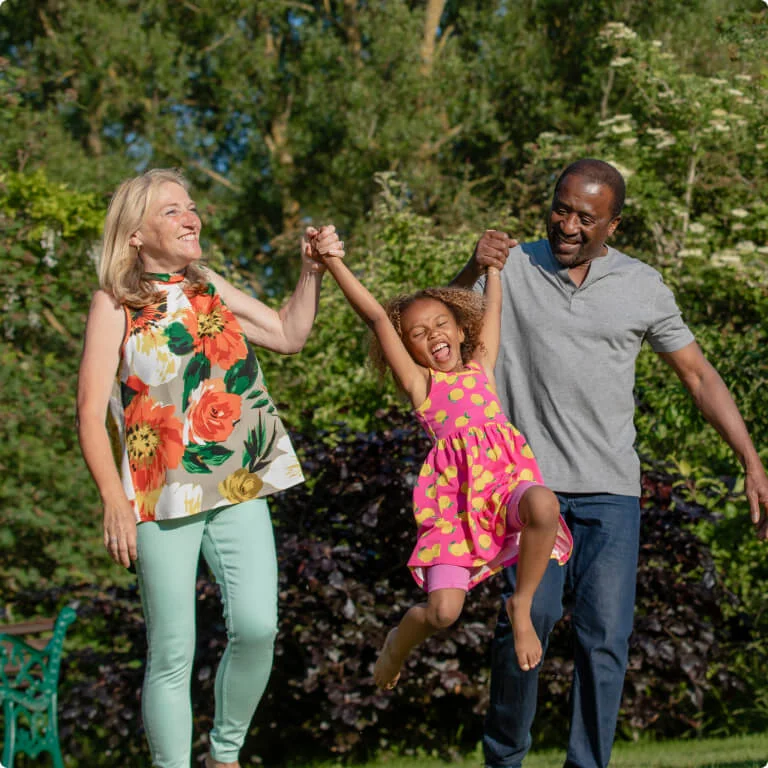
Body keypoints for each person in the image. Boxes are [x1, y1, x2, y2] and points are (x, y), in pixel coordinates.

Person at [452, 158, 768, 768]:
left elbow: (699, 376)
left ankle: (588, 764)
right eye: (560, 209)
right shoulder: (511, 266)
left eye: (585, 218)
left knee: (606, 643)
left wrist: (751, 459)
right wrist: (475, 263)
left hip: (611, 495)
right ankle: (504, 759)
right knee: (527, 625)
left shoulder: (642, 286)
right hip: (528, 491)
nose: (568, 225)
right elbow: (440, 327)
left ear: (613, 227)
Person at [76, 168, 342, 768]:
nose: (190, 217)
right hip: (157, 492)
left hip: (238, 480)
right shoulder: (115, 302)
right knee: (173, 650)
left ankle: (225, 756)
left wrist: (311, 270)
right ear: (136, 234)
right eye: (172, 211)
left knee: (257, 627)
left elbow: (288, 332)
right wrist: (112, 500)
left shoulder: (209, 286)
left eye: (191, 207)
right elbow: (90, 413)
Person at [309, 230, 573, 690]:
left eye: (440, 323)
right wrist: (331, 262)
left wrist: (493, 268)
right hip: (455, 509)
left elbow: (494, 309)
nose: (433, 334)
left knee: (545, 505)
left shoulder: (481, 367)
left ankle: (522, 605)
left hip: (505, 488)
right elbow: (375, 316)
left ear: (459, 328)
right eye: (418, 332)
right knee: (443, 612)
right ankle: (397, 643)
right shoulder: (421, 386)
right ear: (408, 348)